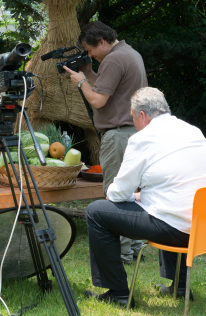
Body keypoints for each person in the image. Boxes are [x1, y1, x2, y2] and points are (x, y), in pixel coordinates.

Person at [84, 87, 206, 308]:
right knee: (164, 205)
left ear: (142, 115)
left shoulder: (143, 139)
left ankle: (119, 294)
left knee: (96, 212)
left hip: (174, 229)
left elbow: (118, 193)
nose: (134, 123)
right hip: (201, 228)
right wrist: (143, 196)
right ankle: (180, 286)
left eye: (132, 117)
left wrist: (132, 195)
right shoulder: (193, 131)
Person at [64, 21, 147, 264]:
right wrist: (88, 72)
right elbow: (110, 89)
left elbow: (98, 100)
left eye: (90, 50)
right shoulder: (129, 53)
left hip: (118, 135)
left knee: (116, 194)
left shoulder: (113, 59)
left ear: (102, 42)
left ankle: (121, 254)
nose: (89, 55)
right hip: (133, 132)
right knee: (133, 193)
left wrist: (80, 82)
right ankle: (136, 246)